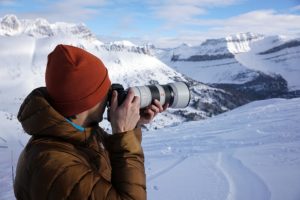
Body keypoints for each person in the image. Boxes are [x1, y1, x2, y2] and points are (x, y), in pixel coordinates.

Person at [14, 44, 167, 200]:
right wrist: (123, 132)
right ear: (85, 103)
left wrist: (133, 125)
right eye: (105, 91)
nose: (111, 96)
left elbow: (117, 162)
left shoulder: (81, 131)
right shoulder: (54, 167)